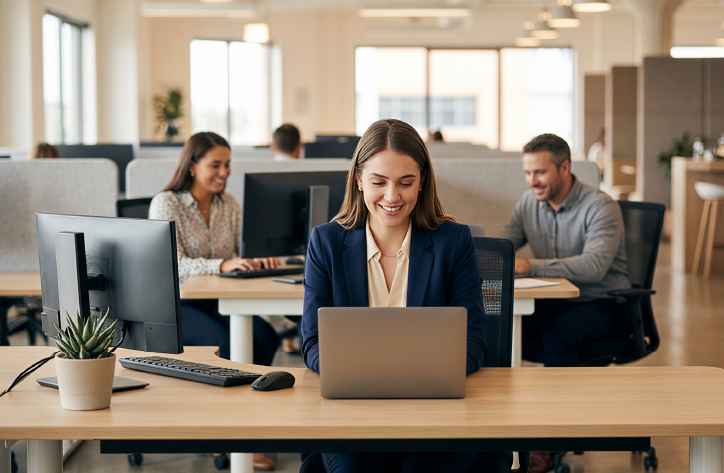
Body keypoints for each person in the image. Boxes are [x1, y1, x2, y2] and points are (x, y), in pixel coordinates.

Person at [301, 119, 488, 473]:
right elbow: (313, 344)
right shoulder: (325, 243)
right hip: (353, 414)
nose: (392, 196)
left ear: (422, 182)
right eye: (378, 182)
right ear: (358, 179)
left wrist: (410, 380)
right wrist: (368, 380)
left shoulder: (453, 242)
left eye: (406, 182)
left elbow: (474, 342)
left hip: (438, 413)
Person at [149, 132, 280, 471]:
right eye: (215, 165)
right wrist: (220, 265)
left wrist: (255, 260)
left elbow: (239, 253)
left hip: (218, 300)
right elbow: (171, 265)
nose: (224, 172)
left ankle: (248, 425)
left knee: (266, 338)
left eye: (228, 164)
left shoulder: (229, 204)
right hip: (177, 303)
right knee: (224, 344)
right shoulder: (167, 203)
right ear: (192, 165)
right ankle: (222, 434)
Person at [501, 133, 631, 473]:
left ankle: (550, 443)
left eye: (540, 173)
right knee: (497, 326)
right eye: (528, 173)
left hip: (607, 305)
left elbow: (593, 265)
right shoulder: (530, 203)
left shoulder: (600, 206)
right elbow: (504, 246)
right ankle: (497, 432)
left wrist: (530, 265)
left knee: (559, 335)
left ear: (565, 167)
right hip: (556, 302)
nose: (533, 182)